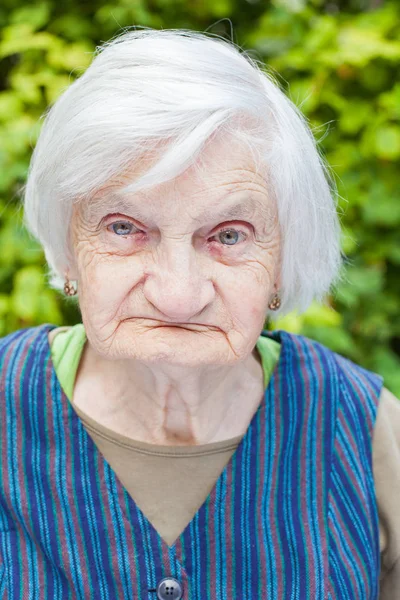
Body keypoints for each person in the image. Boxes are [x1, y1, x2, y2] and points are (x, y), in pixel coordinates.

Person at [0, 28, 399, 599]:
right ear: (68, 252)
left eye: (230, 235)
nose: (178, 294)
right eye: (124, 227)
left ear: (284, 262)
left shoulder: (371, 430)